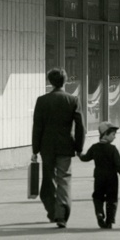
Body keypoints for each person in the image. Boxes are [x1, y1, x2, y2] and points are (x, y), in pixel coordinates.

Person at [31, 67, 86, 228]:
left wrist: (35, 150)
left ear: (50, 82)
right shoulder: (72, 100)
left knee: (48, 179)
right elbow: (80, 126)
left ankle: (52, 211)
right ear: (66, 81)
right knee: (64, 180)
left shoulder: (42, 101)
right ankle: (62, 214)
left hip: (46, 147)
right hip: (65, 146)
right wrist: (79, 147)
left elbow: (37, 127)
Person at [78, 121, 120, 229]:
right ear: (105, 134)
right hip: (112, 178)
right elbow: (118, 162)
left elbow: (86, 158)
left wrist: (79, 154)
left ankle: (99, 213)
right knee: (112, 199)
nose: (114, 137)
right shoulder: (112, 149)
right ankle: (109, 221)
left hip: (99, 177)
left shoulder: (95, 147)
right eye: (113, 134)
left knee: (98, 196)